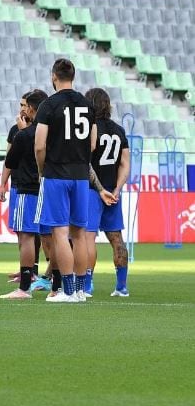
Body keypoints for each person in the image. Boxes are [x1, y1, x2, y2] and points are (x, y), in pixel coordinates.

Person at [34, 58, 99, 303]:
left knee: (60, 233)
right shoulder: (87, 105)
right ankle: (81, 290)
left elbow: (39, 145)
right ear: (73, 76)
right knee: (79, 233)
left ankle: (68, 291)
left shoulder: (49, 105)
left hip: (57, 174)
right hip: (80, 175)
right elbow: (92, 143)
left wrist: (42, 169)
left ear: (54, 77)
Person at [0, 90, 50, 299]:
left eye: (25, 105)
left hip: (26, 188)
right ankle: (57, 285)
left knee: (27, 235)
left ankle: (25, 286)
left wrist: (23, 134)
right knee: (51, 236)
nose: (22, 108)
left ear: (31, 108)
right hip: (48, 188)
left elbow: (10, 159)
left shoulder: (24, 133)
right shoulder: (51, 130)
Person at [83, 88, 131, 298]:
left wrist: (100, 188)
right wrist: (117, 188)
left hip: (93, 190)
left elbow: (84, 161)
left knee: (87, 238)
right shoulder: (119, 131)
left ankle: (87, 284)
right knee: (117, 240)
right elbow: (125, 163)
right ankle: (121, 287)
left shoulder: (89, 129)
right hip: (113, 192)